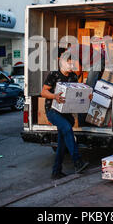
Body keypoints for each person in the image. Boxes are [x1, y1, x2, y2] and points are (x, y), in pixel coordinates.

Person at [41, 48, 91, 179]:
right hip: (53, 111)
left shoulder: (74, 76)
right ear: (62, 63)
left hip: (66, 113)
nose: (71, 65)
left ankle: (56, 171)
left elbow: (77, 92)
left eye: (72, 63)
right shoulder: (54, 75)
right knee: (68, 129)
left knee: (62, 143)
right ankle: (77, 161)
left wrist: (87, 97)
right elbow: (43, 92)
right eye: (69, 63)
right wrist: (54, 96)